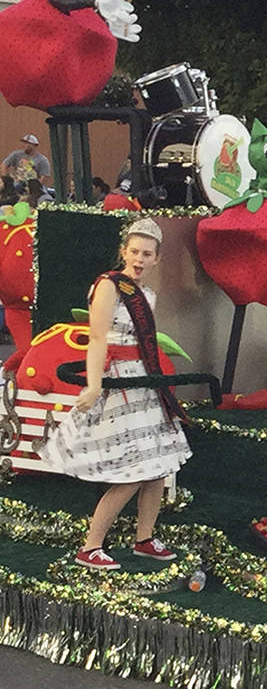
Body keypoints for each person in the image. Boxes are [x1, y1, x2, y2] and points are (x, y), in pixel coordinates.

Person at [41, 219, 191, 570]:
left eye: (147, 254)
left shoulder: (148, 296)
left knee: (157, 466)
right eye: (135, 251)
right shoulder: (108, 286)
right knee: (134, 470)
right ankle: (91, 546)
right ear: (124, 251)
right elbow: (97, 339)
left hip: (143, 383)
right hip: (117, 383)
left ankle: (145, 537)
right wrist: (93, 385)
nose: (140, 259)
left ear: (157, 258)